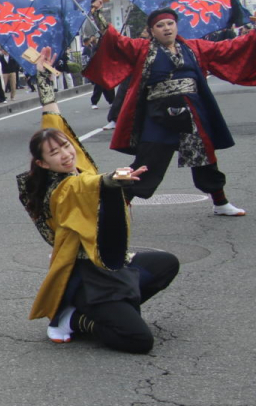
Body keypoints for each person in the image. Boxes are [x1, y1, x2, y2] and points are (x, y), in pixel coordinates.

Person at [19, 49, 179, 353]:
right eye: (54, 154)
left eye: (65, 147)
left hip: (111, 263)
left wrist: (43, 77)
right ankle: (77, 317)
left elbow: (53, 118)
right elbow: (84, 186)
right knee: (139, 341)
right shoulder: (59, 190)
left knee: (165, 264)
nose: (65, 154)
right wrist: (110, 180)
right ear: (42, 164)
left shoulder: (75, 162)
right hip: (89, 273)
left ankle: (116, 310)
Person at [83, 7, 256, 216]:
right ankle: (116, 203)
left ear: (176, 26)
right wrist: (99, 16)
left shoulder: (193, 47)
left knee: (205, 158)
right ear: (152, 31)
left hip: (192, 112)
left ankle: (221, 202)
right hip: (158, 115)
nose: (166, 29)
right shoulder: (143, 48)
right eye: (160, 26)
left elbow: (228, 48)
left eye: (170, 24)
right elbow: (117, 41)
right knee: (145, 163)